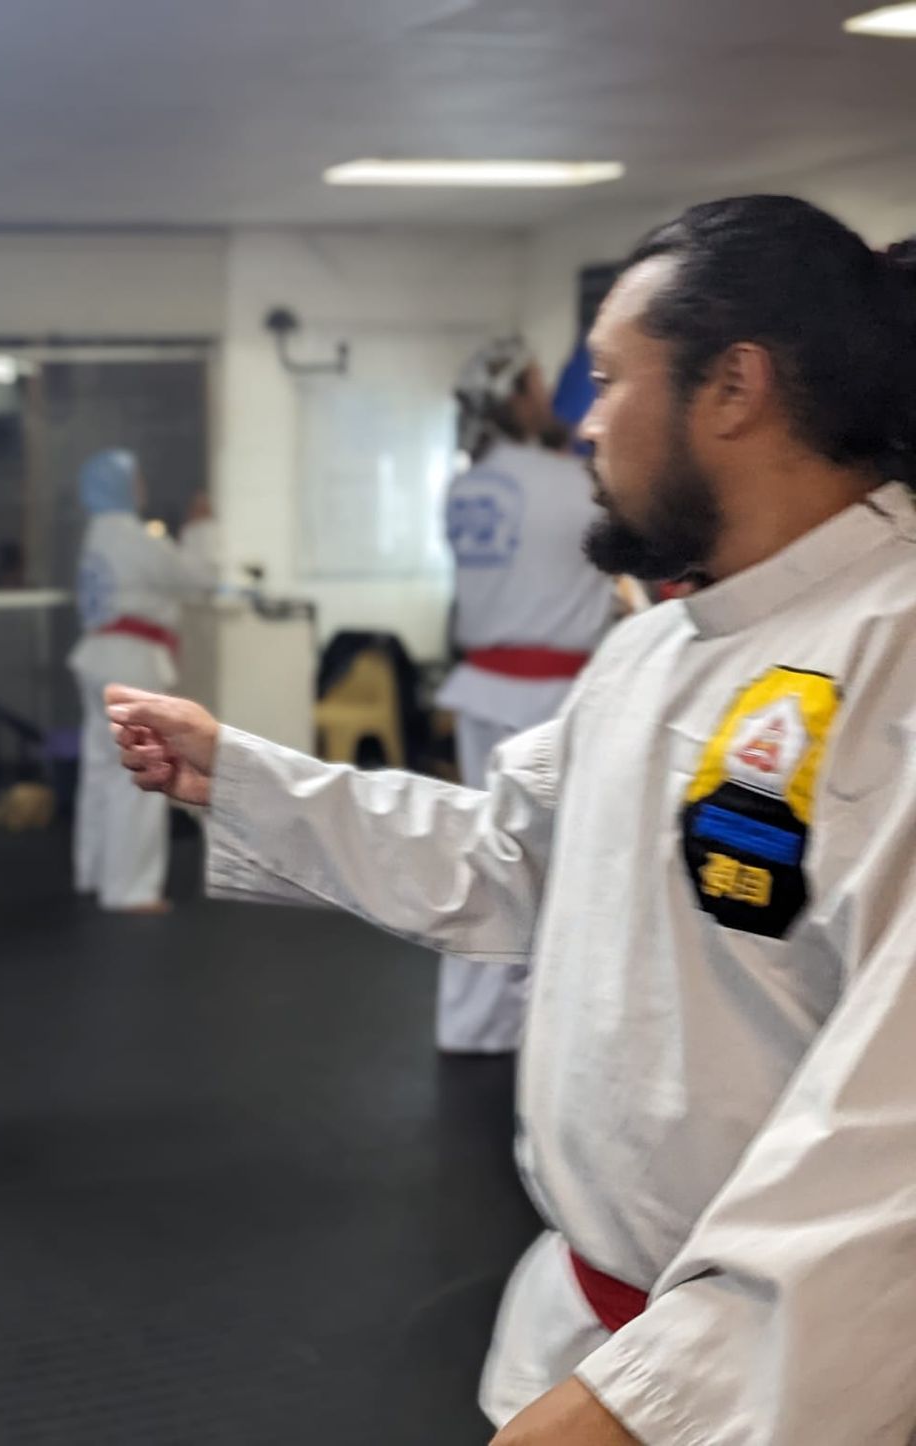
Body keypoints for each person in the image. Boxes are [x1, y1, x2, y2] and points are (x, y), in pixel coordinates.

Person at [108, 196, 916, 1443]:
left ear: (735, 386)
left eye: (612, 377)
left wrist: (637, 1407)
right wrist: (249, 777)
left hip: (774, 1381)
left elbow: (891, 1156)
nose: (587, 422)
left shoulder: (891, 659)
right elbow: (507, 859)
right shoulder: (654, 653)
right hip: (576, 1331)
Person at [434, 340, 611, 1052]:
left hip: (483, 691)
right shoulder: (572, 485)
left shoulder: (465, 485)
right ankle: (547, 1029)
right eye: (540, 388)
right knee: (559, 864)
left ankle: (475, 1021)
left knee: (488, 853)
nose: (551, 401)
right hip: (549, 699)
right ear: (517, 399)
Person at [69, 449, 217, 913]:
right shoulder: (130, 536)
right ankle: (129, 889)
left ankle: (93, 871)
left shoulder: (96, 536)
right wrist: (201, 529)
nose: (142, 487)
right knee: (140, 769)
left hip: (99, 657)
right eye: (136, 479)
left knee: (100, 769)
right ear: (124, 486)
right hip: (130, 662)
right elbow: (197, 578)